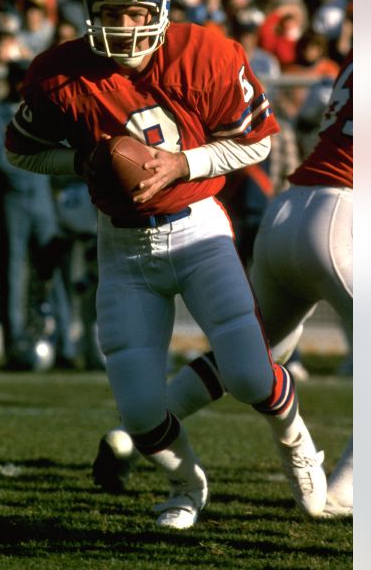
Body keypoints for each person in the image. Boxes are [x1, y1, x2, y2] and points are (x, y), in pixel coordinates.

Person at [4, 0, 331, 529]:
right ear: (90, 12)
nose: (124, 26)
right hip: (123, 246)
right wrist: (82, 162)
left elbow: (255, 143)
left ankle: (298, 444)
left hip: (197, 228)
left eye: (136, 14)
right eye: (110, 12)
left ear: (161, 10)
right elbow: (20, 150)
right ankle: (188, 484)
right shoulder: (60, 74)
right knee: (138, 412)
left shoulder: (204, 55)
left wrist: (183, 164)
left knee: (251, 374)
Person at [93, 53, 354, 517]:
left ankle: (130, 439)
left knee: (254, 355)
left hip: (291, 209)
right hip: (346, 215)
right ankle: (342, 493)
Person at [0, 62, 75, 370]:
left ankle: (65, 345)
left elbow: (62, 148)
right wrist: (38, 162)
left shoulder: (46, 114)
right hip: (13, 200)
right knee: (14, 274)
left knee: (54, 274)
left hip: (43, 201)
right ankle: (16, 346)